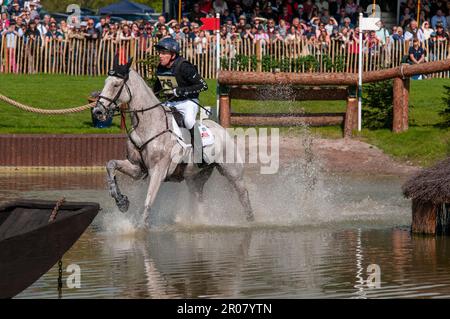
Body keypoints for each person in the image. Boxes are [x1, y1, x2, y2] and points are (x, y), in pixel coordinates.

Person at [153, 37, 208, 133]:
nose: (160, 56)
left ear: (173, 55)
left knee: (189, 121)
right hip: (170, 102)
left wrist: (182, 90)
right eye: (159, 53)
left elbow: (203, 86)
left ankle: (198, 146)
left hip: (188, 102)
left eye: (164, 53)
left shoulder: (184, 66)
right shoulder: (161, 68)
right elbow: (157, 88)